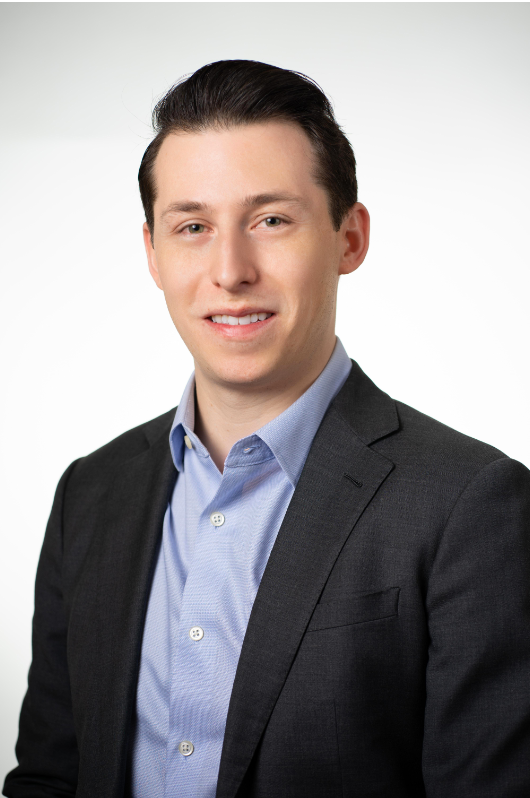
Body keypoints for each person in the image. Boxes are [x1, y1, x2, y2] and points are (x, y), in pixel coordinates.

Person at [4, 59, 530, 798]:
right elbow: (51, 777)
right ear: (153, 253)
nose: (230, 269)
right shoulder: (91, 493)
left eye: (271, 220)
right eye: (192, 226)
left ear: (350, 238)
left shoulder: (470, 506)